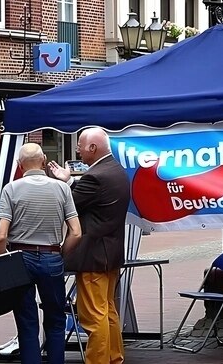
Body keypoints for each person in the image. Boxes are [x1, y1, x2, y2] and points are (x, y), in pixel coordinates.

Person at [0, 143, 82, 364]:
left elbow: (2, 235)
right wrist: (61, 252)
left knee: (26, 321)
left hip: (20, 257)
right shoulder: (61, 188)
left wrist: (1, 261)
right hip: (51, 256)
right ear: (43, 160)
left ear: (19, 165)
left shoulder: (11, 189)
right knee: (55, 319)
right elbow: (77, 232)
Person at [50, 128, 131, 364]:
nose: (77, 149)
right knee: (109, 311)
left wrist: (65, 184)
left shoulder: (95, 177)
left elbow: (70, 205)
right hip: (111, 254)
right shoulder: (116, 171)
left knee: (94, 317)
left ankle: (98, 361)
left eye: (79, 145)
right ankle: (115, 358)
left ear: (92, 148)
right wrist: (71, 180)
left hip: (94, 256)